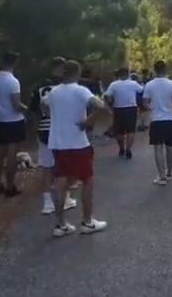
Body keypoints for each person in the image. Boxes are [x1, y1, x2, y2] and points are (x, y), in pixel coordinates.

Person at [42, 60, 108, 237]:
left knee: (60, 181)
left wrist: (55, 116)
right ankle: (87, 221)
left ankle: (60, 224)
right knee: (87, 179)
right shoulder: (80, 90)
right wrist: (89, 121)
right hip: (77, 143)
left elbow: (43, 105)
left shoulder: (53, 92)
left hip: (57, 142)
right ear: (77, 73)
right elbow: (101, 106)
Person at [29, 57, 76, 215]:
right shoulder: (65, 87)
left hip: (43, 130)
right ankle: (66, 198)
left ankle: (47, 202)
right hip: (61, 129)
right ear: (63, 69)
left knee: (47, 166)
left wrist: (35, 131)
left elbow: (33, 112)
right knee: (64, 166)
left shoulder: (39, 88)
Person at [0, 51, 28, 197]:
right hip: (13, 120)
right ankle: (10, 185)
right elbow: (16, 104)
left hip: (1, 119)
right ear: (14, 63)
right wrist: (27, 109)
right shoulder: (13, 81)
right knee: (12, 154)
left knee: (0, 153)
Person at [142, 60, 172, 186]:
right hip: (170, 118)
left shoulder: (149, 85)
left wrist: (152, 108)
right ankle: (169, 173)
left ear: (155, 70)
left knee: (158, 147)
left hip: (156, 120)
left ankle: (161, 176)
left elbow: (145, 102)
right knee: (169, 147)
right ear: (166, 69)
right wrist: (170, 107)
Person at [104, 68, 143, 159]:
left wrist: (109, 104)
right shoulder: (133, 83)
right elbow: (141, 91)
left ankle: (121, 148)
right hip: (131, 108)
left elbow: (107, 95)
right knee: (131, 130)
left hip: (118, 109)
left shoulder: (113, 84)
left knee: (119, 131)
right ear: (127, 74)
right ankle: (128, 149)